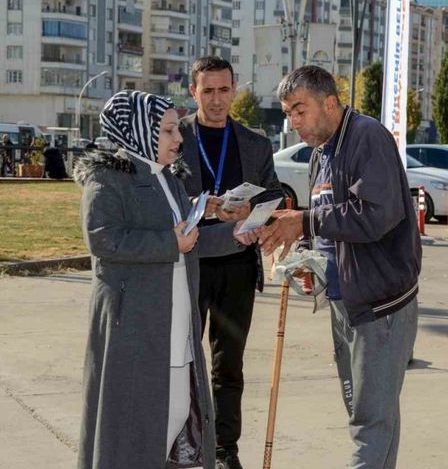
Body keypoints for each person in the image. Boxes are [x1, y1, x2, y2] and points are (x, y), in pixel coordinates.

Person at [75, 90, 260, 469]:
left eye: (177, 130)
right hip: (135, 325)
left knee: (173, 414)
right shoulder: (108, 177)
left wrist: (235, 235)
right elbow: (102, 237)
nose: (179, 140)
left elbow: (188, 241)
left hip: (175, 322)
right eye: (169, 131)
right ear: (139, 132)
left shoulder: (170, 179)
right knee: (130, 425)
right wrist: (168, 241)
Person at [258, 65, 421, 469]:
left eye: (300, 110)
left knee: (370, 420)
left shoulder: (368, 137)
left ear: (330, 103)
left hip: (380, 305)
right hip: (344, 300)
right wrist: (306, 259)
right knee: (369, 417)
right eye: (288, 113)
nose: (293, 122)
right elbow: (327, 227)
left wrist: (306, 221)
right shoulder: (320, 154)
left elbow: (377, 213)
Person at [178, 55, 284, 469]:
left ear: (235, 90)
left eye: (224, 90)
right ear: (194, 91)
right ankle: (183, 444)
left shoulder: (255, 143)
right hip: (189, 266)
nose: (217, 100)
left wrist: (254, 213)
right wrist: (207, 208)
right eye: (208, 91)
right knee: (183, 360)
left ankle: (225, 450)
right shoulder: (175, 137)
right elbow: (163, 200)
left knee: (228, 366)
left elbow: (272, 194)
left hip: (237, 267)